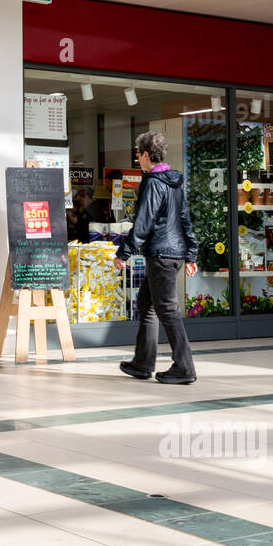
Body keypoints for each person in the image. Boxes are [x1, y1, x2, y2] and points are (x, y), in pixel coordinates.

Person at [112, 132, 199, 385]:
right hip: (173, 254)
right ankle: (142, 363)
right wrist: (191, 254)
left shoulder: (153, 182)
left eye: (138, 154)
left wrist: (124, 252)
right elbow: (185, 221)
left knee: (167, 310)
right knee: (146, 304)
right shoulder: (174, 183)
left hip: (161, 254)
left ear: (147, 155)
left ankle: (184, 367)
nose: (137, 159)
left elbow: (143, 223)